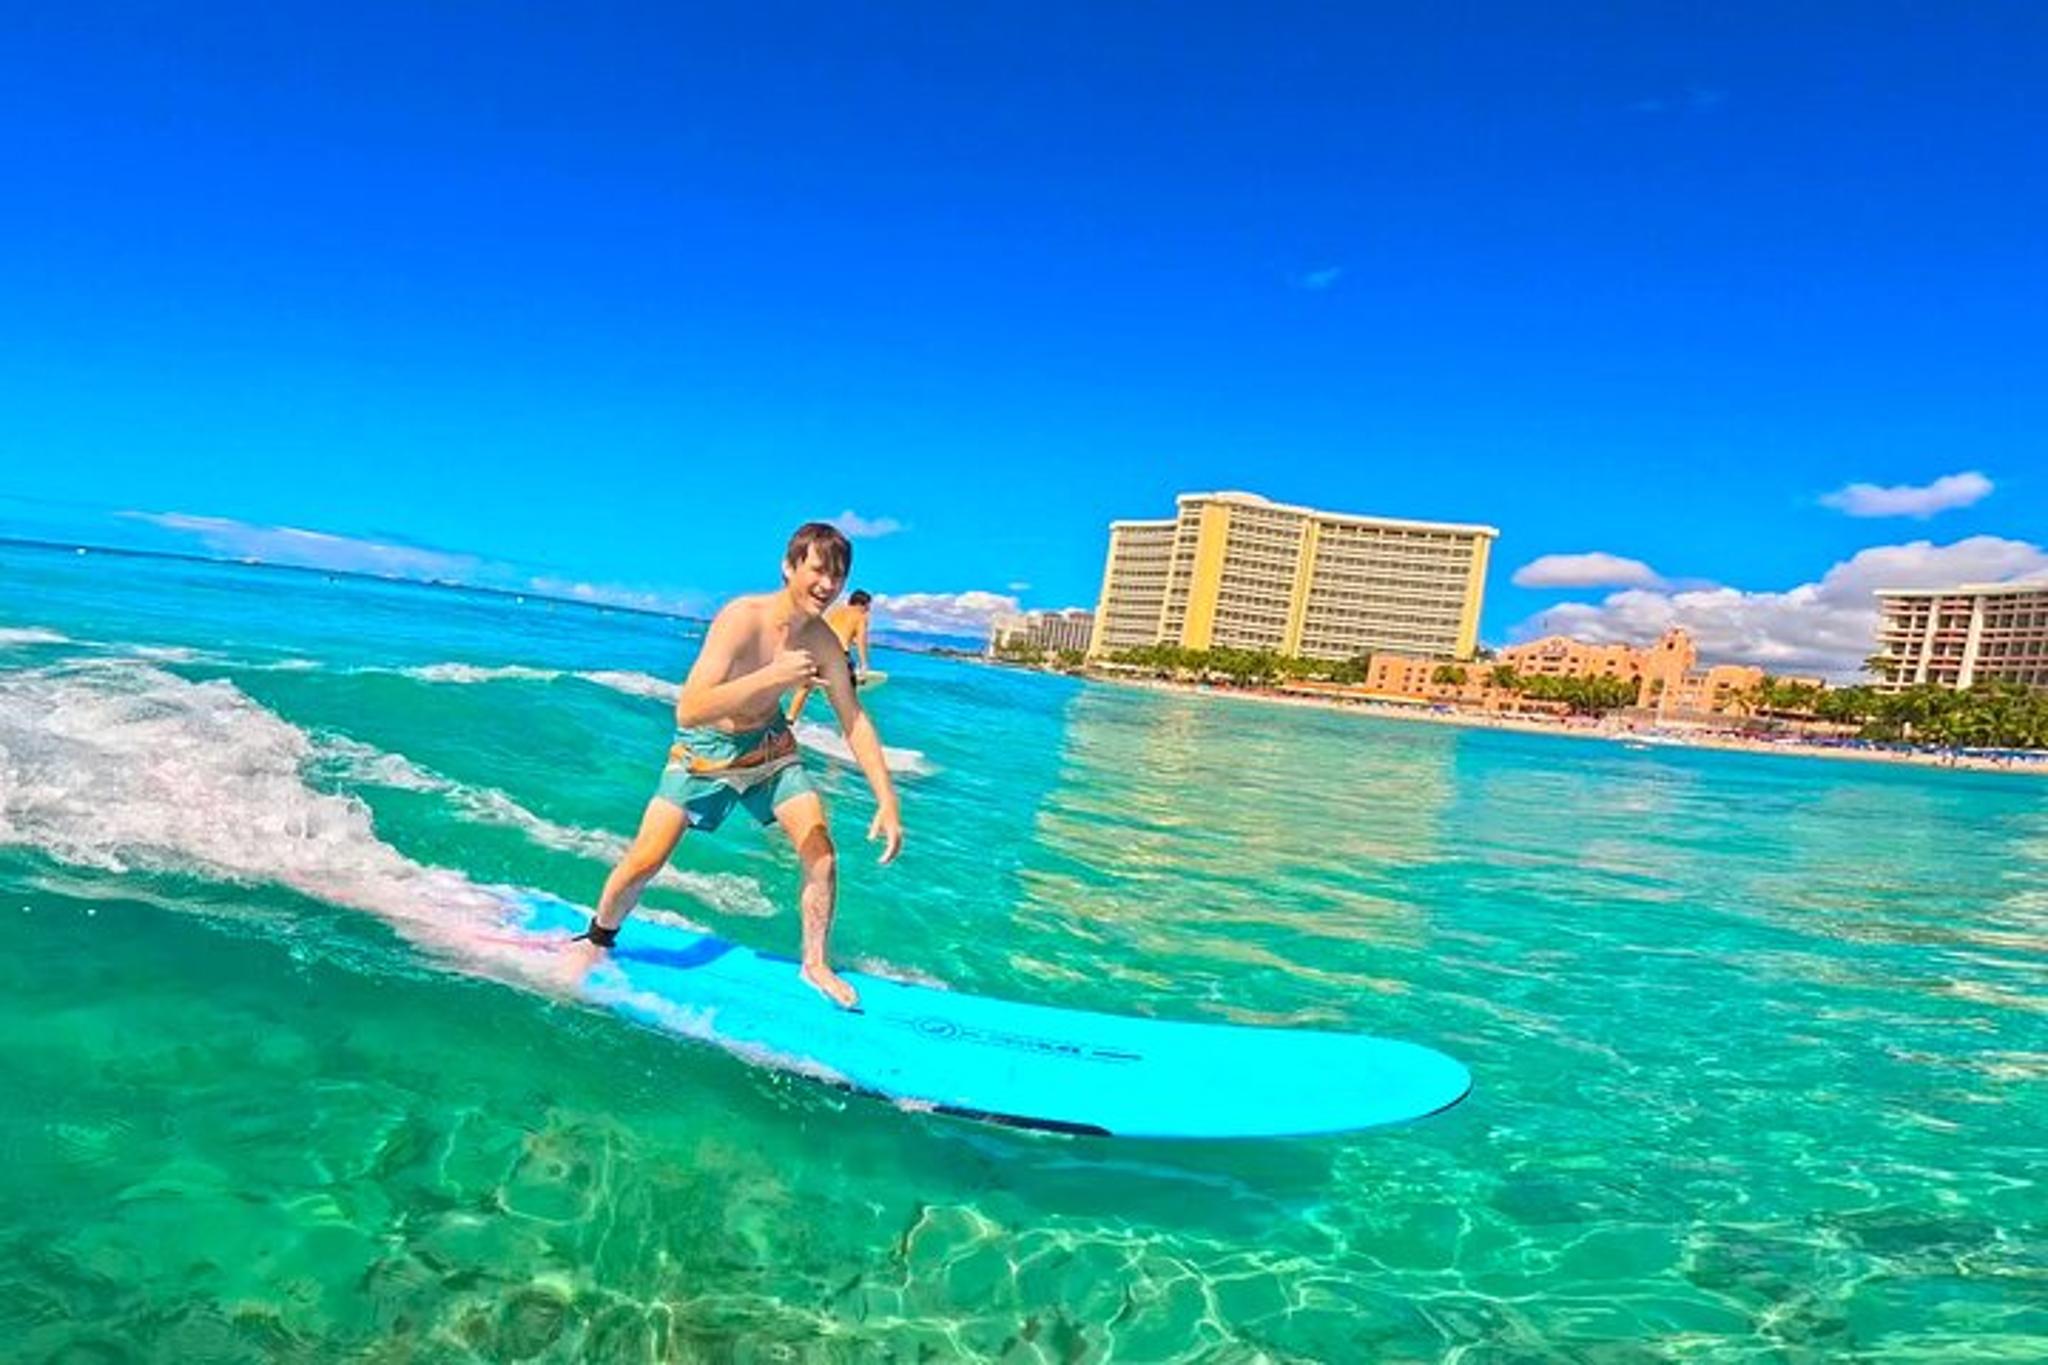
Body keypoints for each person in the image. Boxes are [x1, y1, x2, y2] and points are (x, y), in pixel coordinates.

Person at [577, 523, 903, 1008]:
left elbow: (853, 719)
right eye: (818, 570)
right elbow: (690, 709)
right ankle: (598, 940)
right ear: (789, 567)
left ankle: (815, 964)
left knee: (822, 852)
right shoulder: (740, 619)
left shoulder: (822, 643)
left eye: (838, 575)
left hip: (770, 750)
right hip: (703, 752)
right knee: (645, 859)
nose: (828, 585)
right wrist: (773, 675)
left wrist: (887, 798)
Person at [787, 588, 873, 720]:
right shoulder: (860, 616)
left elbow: (821, 628)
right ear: (863, 604)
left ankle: (791, 719)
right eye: (868, 606)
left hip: (819, 650)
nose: (869, 609)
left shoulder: (835, 610)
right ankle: (848, 734)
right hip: (839, 654)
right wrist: (864, 665)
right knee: (850, 699)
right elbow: (861, 642)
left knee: (805, 687)